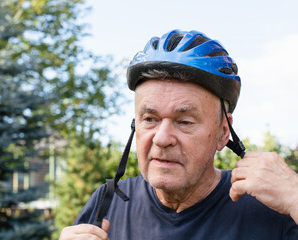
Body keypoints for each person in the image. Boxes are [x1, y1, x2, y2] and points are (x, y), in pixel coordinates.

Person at [59, 29, 298, 239]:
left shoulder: (272, 209)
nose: (162, 139)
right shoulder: (108, 202)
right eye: (150, 119)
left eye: (184, 121)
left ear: (223, 132)